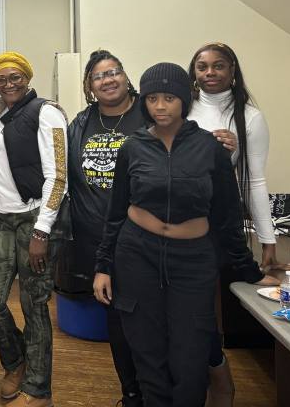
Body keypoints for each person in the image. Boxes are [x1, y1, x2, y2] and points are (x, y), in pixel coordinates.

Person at [93, 63, 276, 407]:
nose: (160, 106)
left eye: (169, 98)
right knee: (147, 351)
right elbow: (116, 213)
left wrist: (249, 271)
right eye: (152, 99)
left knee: (190, 356)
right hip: (136, 255)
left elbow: (228, 219)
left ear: (184, 100)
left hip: (192, 261)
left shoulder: (210, 149)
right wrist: (103, 265)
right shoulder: (132, 147)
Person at [0, 51, 68, 407]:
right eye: (1, 78)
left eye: (16, 77)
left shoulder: (46, 112)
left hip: (33, 221)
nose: (9, 83)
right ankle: (15, 362)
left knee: (35, 305)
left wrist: (42, 232)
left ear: (28, 77)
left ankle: (38, 388)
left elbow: (58, 176)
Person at [187, 42, 277, 406]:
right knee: (189, 312)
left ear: (232, 71)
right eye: (202, 66)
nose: (210, 73)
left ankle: (219, 380)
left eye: (218, 66)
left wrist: (267, 239)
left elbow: (255, 180)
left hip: (219, 228)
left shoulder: (250, 117)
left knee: (208, 311)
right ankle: (198, 379)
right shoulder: (181, 108)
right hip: (176, 225)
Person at [56, 50, 144, 407]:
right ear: (89, 87)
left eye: (114, 72)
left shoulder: (148, 112)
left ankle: (161, 390)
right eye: (98, 76)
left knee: (149, 320)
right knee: (118, 323)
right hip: (98, 241)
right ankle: (132, 393)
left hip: (145, 237)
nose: (107, 80)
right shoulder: (80, 123)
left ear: (125, 77)